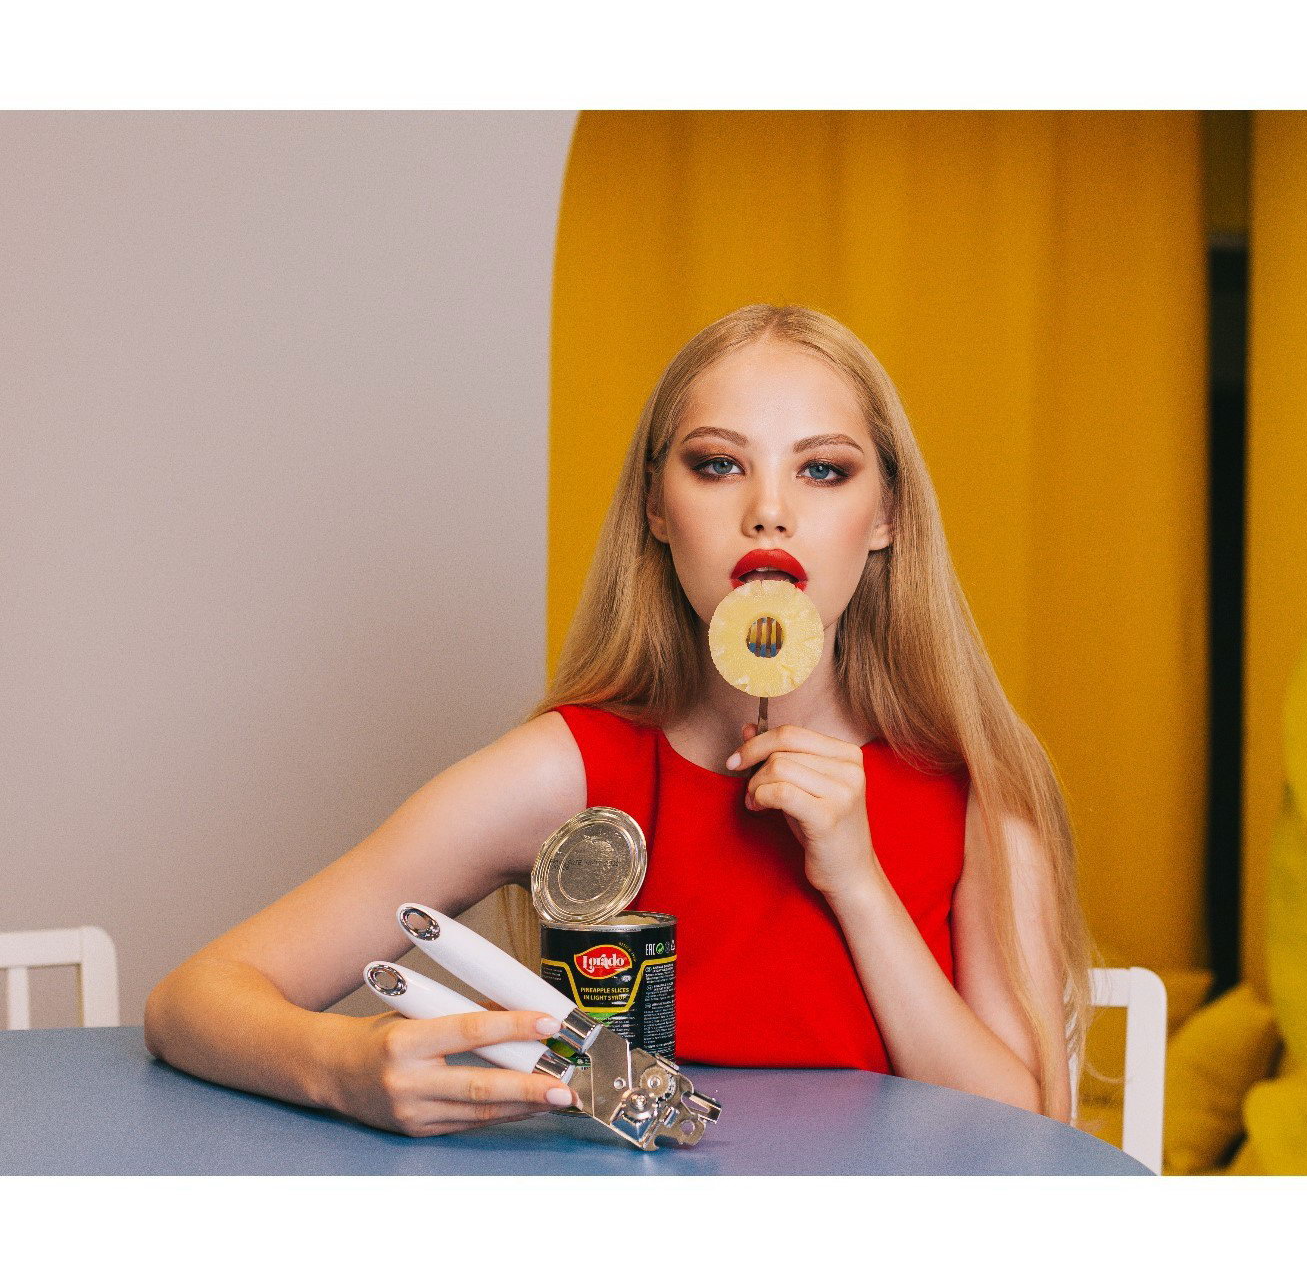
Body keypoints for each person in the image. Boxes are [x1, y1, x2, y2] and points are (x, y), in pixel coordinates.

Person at [145, 303, 1097, 1134]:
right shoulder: (570, 771)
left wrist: (857, 879)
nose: (768, 512)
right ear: (656, 508)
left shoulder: (978, 786)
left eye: (823, 471)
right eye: (718, 465)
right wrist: (346, 1068)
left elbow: (1024, 1137)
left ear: (887, 515)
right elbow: (193, 1000)